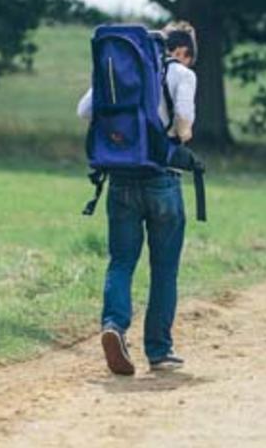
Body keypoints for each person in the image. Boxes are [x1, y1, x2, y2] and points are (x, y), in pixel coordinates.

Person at [76, 21, 198, 376]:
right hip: (162, 180)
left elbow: (84, 111)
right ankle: (159, 350)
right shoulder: (181, 75)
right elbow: (185, 122)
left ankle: (113, 326)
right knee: (164, 268)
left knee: (121, 261)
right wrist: (178, 134)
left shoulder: (120, 70)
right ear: (183, 52)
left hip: (121, 179)